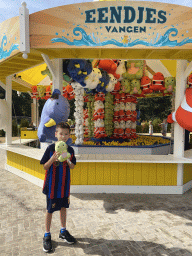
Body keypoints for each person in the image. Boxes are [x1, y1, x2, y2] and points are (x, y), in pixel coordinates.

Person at [40, 122, 76, 253]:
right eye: (61, 133)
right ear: (56, 134)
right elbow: (44, 166)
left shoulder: (70, 150)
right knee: (49, 210)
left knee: (63, 208)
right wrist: (52, 159)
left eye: (66, 134)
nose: (64, 136)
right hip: (52, 186)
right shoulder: (50, 149)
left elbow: (72, 166)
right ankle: (47, 234)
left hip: (64, 187)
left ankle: (63, 230)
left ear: (69, 135)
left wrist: (67, 160)